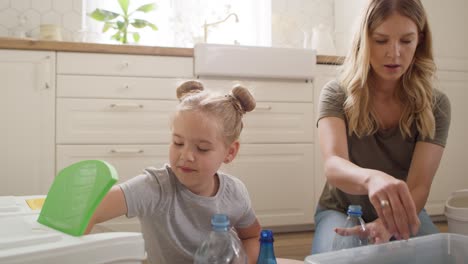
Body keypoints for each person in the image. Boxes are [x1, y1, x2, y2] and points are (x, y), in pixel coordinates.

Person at [311, 0, 451, 254]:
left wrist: (388, 223)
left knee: (441, 258)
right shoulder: (336, 93)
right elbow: (333, 165)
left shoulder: (436, 105)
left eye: (406, 41)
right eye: (381, 40)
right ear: (365, 41)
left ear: (419, 40)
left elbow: (419, 186)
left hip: (402, 210)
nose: (394, 53)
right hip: (341, 209)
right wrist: (372, 178)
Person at [85, 80, 262, 263]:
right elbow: (89, 210)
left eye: (202, 148)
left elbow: (252, 236)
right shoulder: (154, 187)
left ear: (230, 152)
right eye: (178, 143)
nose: (186, 155)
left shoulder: (235, 193)